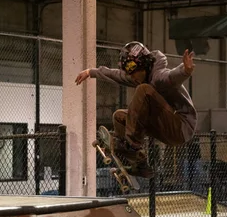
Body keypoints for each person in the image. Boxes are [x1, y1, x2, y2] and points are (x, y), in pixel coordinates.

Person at [75, 41, 197, 178]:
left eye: (133, 73)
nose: (132, 77)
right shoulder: (139, 75)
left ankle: (131, 145)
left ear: (143, 66)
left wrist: (185, 71)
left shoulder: (158, 77)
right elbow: (115, 74)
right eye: (129, 73)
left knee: (143, 90)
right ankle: (139, 163)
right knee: (119, 117)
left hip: (181, 127)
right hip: (165, 125)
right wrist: (90, 72)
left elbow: (171, 77)